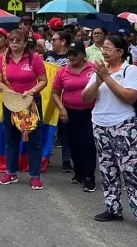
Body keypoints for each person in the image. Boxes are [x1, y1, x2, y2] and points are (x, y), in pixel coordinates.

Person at [82, 34, 137, 235]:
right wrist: (98, 80)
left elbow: (129, 96)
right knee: (107, 169)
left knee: (130, 171)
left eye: (108, 48)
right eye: (103, 48)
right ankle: (113, 208)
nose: (104, 51)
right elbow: (85, 98)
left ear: (120, 52)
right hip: (100, 125)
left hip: (124, 125)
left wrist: (106, 78)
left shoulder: (130, 70)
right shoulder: (98, 71)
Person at [0, 28, 48, 190]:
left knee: (34, 141)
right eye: (12, 40)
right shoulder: (2, 59)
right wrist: (12, 94)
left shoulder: (35, 59)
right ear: (8, 42)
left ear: (25, 43)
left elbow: (43, 81)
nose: (14, 43)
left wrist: (31, 92)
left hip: (31, 103)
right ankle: (11, 172)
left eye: (18, 40)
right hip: (10, 103)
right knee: (11, 138)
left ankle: (35, 175)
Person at [51, 40, 96, 191]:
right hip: (69, 112)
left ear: (83, 54)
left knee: (88, 144)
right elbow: (55, 93)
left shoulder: (93, 68)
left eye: (75, 54)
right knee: (74, 144)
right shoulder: (63, 71)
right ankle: (79, 173)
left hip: (89, 112)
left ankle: (90, 176)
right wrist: (61, 108)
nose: (71, 57)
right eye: (69, 54)